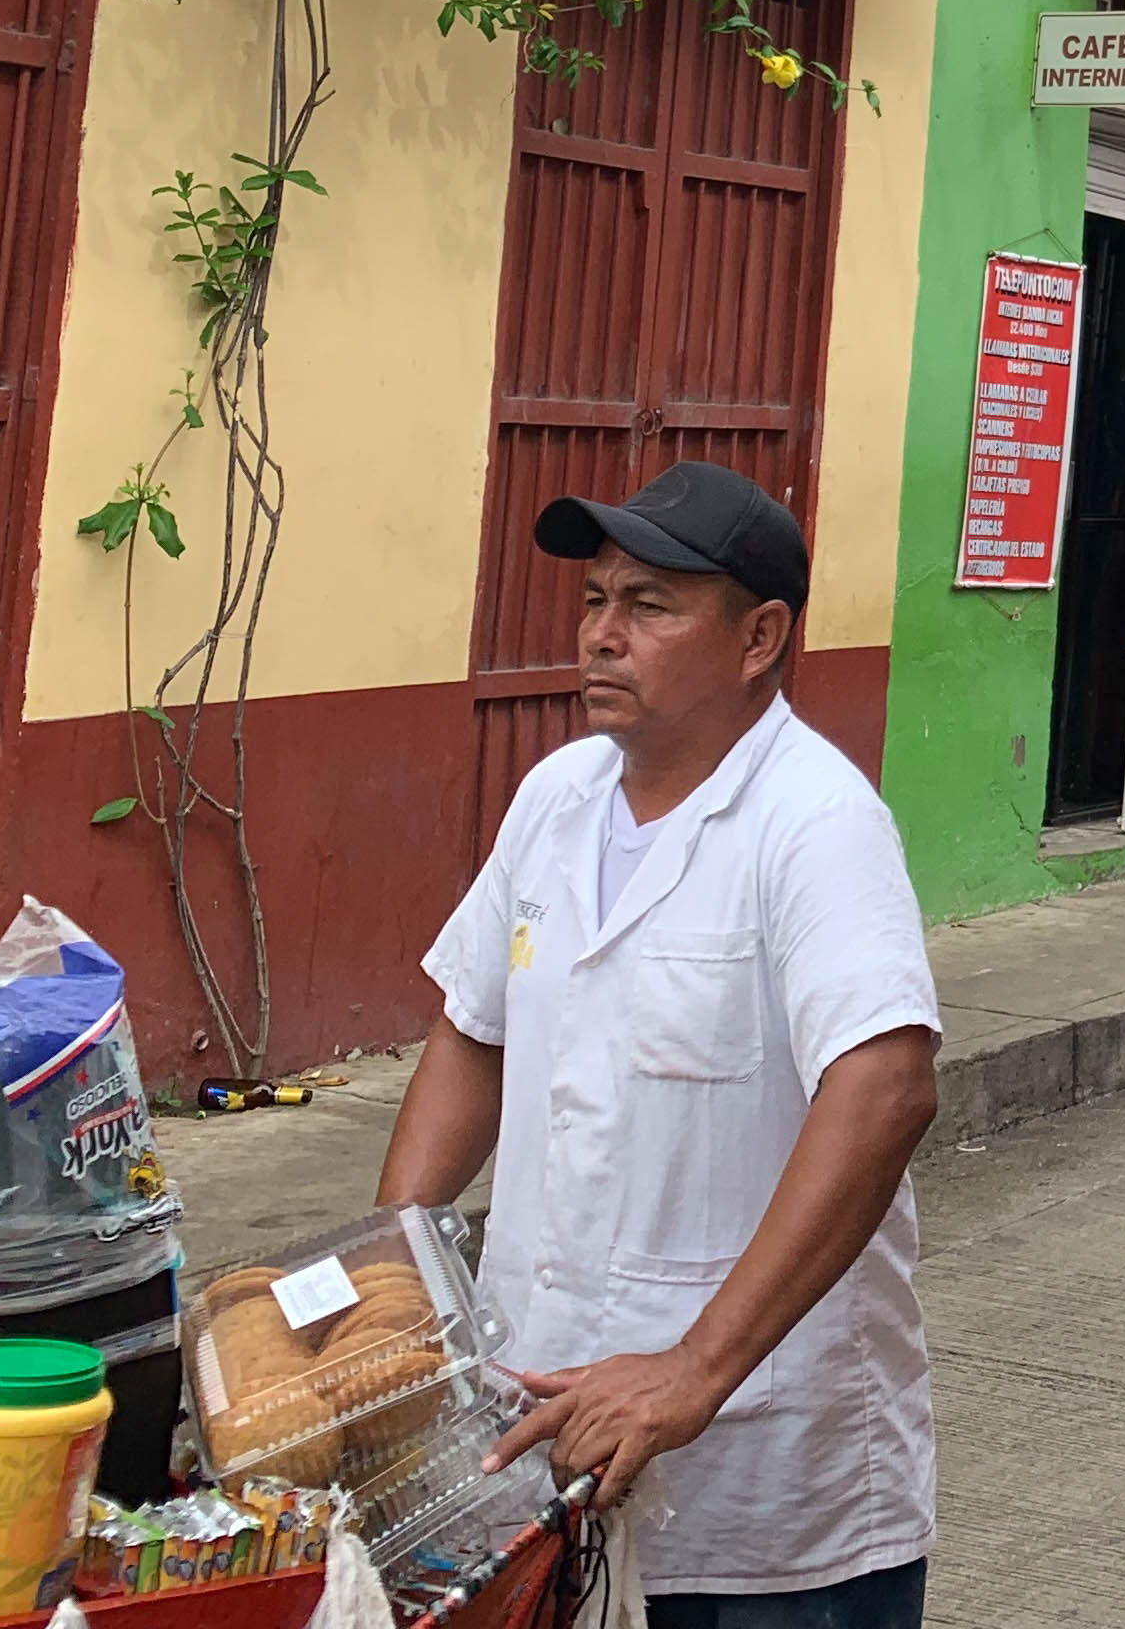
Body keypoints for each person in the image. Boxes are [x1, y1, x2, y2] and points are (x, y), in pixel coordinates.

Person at [382, 460, 943, 1627]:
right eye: (595, 600)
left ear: (759, 640)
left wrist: (696, 1368)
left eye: (650, 606)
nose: (601, 635)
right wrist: (397, 1276)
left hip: (767, 1496)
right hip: (545, 1446)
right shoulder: (558, 796)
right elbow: (472, 1032)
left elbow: (886, 1089)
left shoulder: (816, 824)